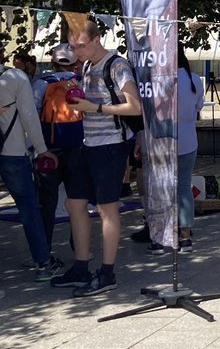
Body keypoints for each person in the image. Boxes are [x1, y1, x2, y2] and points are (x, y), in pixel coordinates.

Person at [52, 19, 141, 296]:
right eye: (73, 47)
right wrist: (78, 98)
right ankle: (81, 266)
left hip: (110, 146)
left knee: (107, 209)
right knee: (74, 203)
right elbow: (91, 104)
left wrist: (95, 108)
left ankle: (107, 273)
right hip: (88, 144)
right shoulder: (88, 65)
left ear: (97, 39)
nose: (77, 52)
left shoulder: (117, 65)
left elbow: (135, 107)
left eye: (81, 46)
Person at [0, 51, 59, 280]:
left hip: (11, 152)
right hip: (13, 151)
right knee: (28, 207)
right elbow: (29, 117)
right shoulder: (15, 78)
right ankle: (43, 262)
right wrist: (42, 149)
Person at [149, 42, 204, 254]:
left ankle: (161, 236)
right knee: (183, 188)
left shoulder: (158, 80)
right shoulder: (194, 79)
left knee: (161, 189)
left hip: (163, 140)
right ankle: (186, 236)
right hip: (188, 140)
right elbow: (198, 107)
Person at [36, 43, 82, 257]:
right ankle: (79, 247)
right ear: (75, 62)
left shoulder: (42, 84)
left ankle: (43, 251)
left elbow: (33, 114)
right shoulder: (81, 83)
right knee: (77, 201)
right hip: (77, 149)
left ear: (53, 62)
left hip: (49, 150)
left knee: (47, 202)